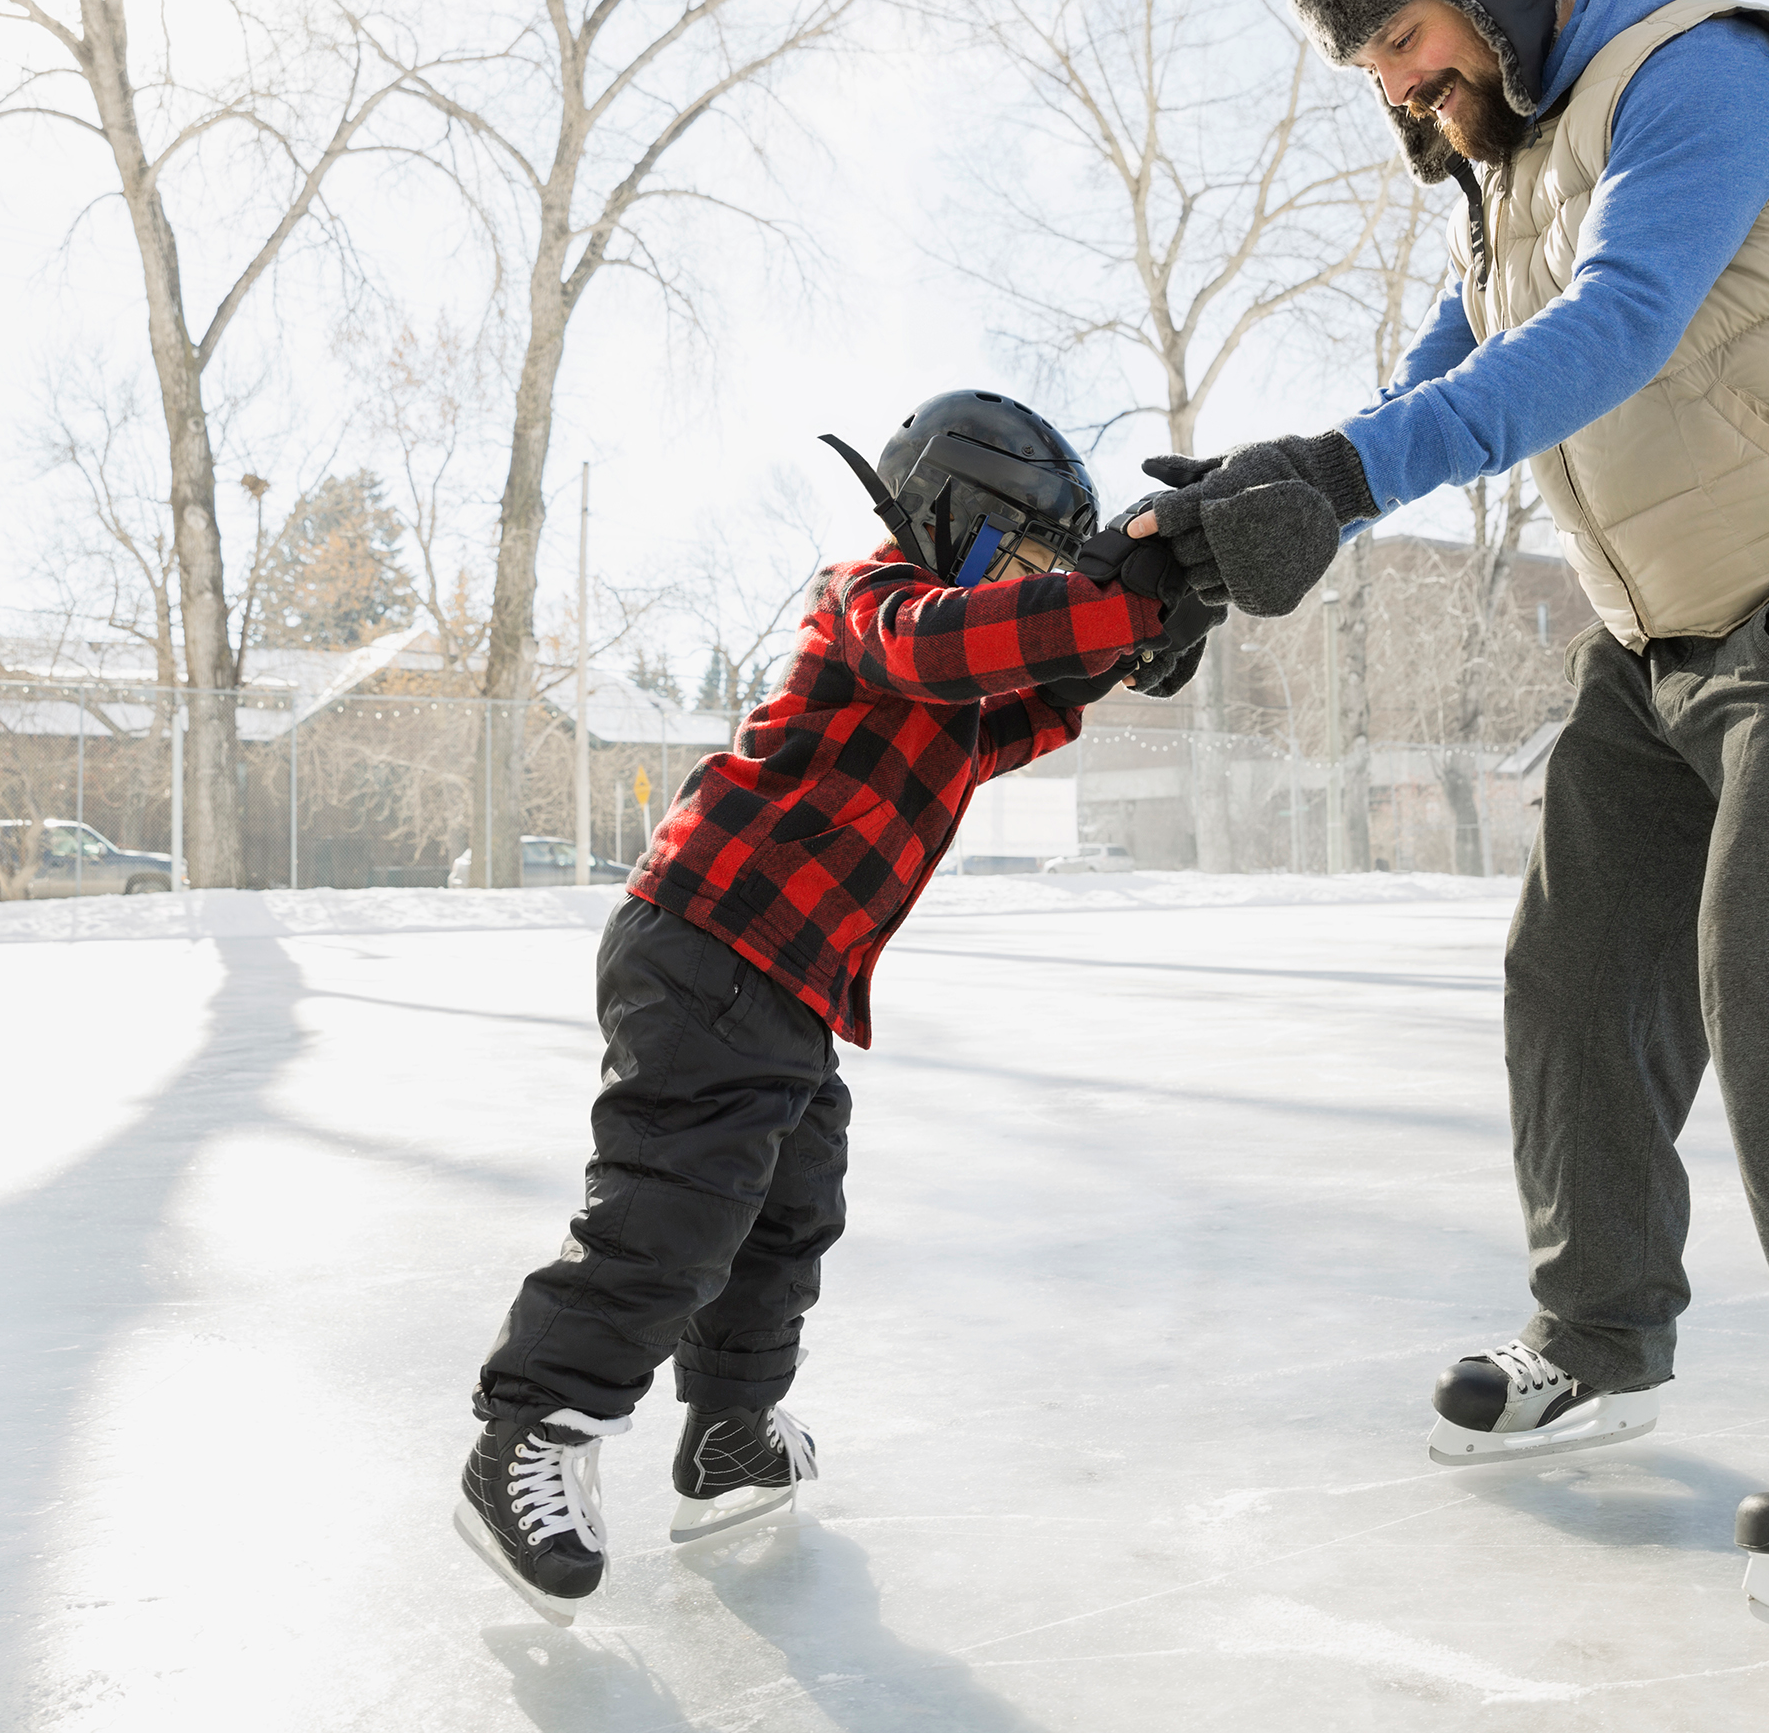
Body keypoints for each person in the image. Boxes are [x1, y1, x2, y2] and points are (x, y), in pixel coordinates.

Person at [1127, 0, 1769, 1627]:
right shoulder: (1503, 174)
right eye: (1375, 69)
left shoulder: (1704, 71)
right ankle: (1601, 1342)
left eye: (1403, 37)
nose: (1398, 85)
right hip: (1663, 635)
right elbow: (1424, 399)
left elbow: (1621, 323)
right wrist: (1227, 529)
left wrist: (1342, 476)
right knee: (1573, 980)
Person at [455, 390, 1215, 1625]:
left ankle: (731, 1434)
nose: (1026, 587)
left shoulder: (959, 678)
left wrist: (1152, 626)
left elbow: (1024, 698)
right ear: (951, 513)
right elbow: (954, 646)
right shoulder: (871, 603)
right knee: (678, 1209)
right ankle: (531, 1432)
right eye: (1015, 558)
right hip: (707, 939)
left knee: (788, 1215)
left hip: (789, 980)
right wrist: (1115, 599)